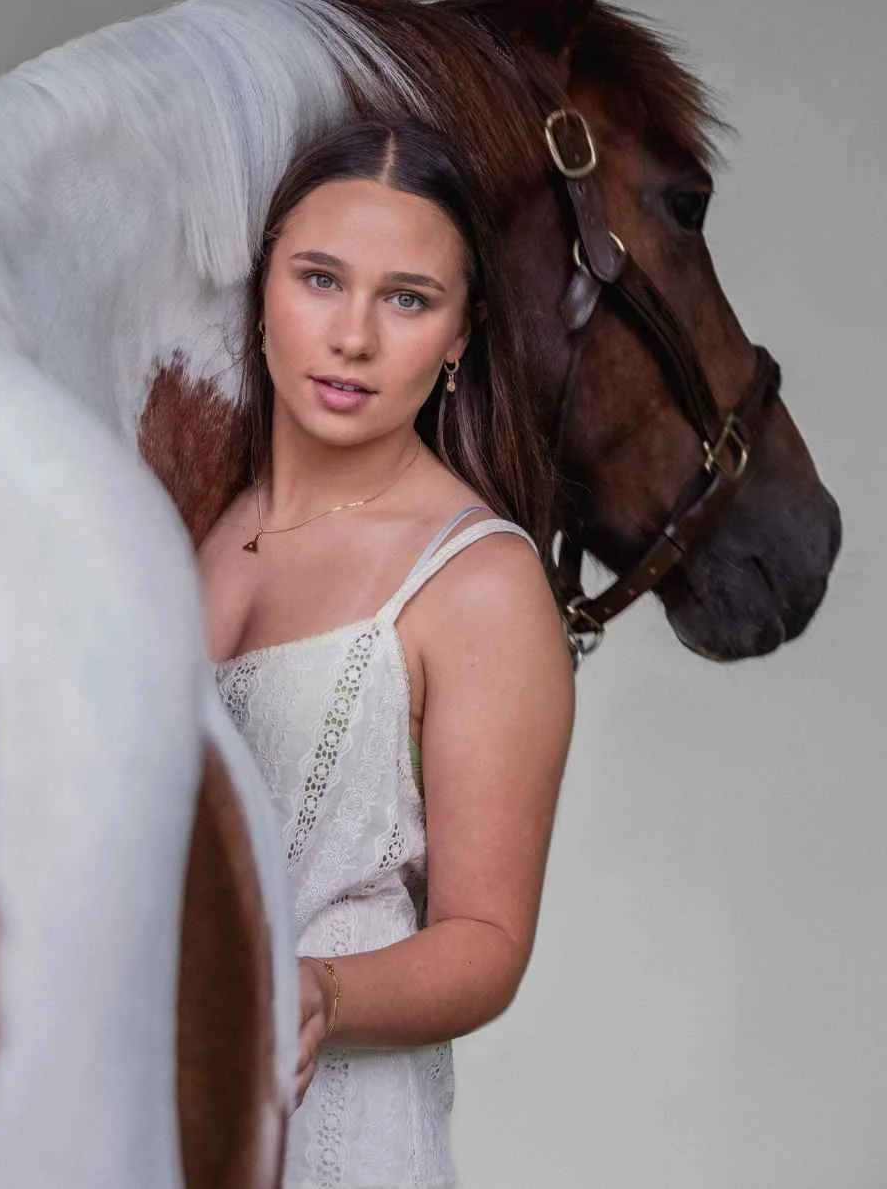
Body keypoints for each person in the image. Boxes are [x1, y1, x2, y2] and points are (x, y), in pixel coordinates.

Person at [199, 118, 574, 1189]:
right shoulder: (182, 524)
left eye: (407, 298)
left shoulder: (480, 581)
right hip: (150, 1118)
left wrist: (323, 990)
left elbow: (488, 936)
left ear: (461, 335)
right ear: (264, 280)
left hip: (339, 1133)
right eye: (320, 278)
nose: (352, 336)